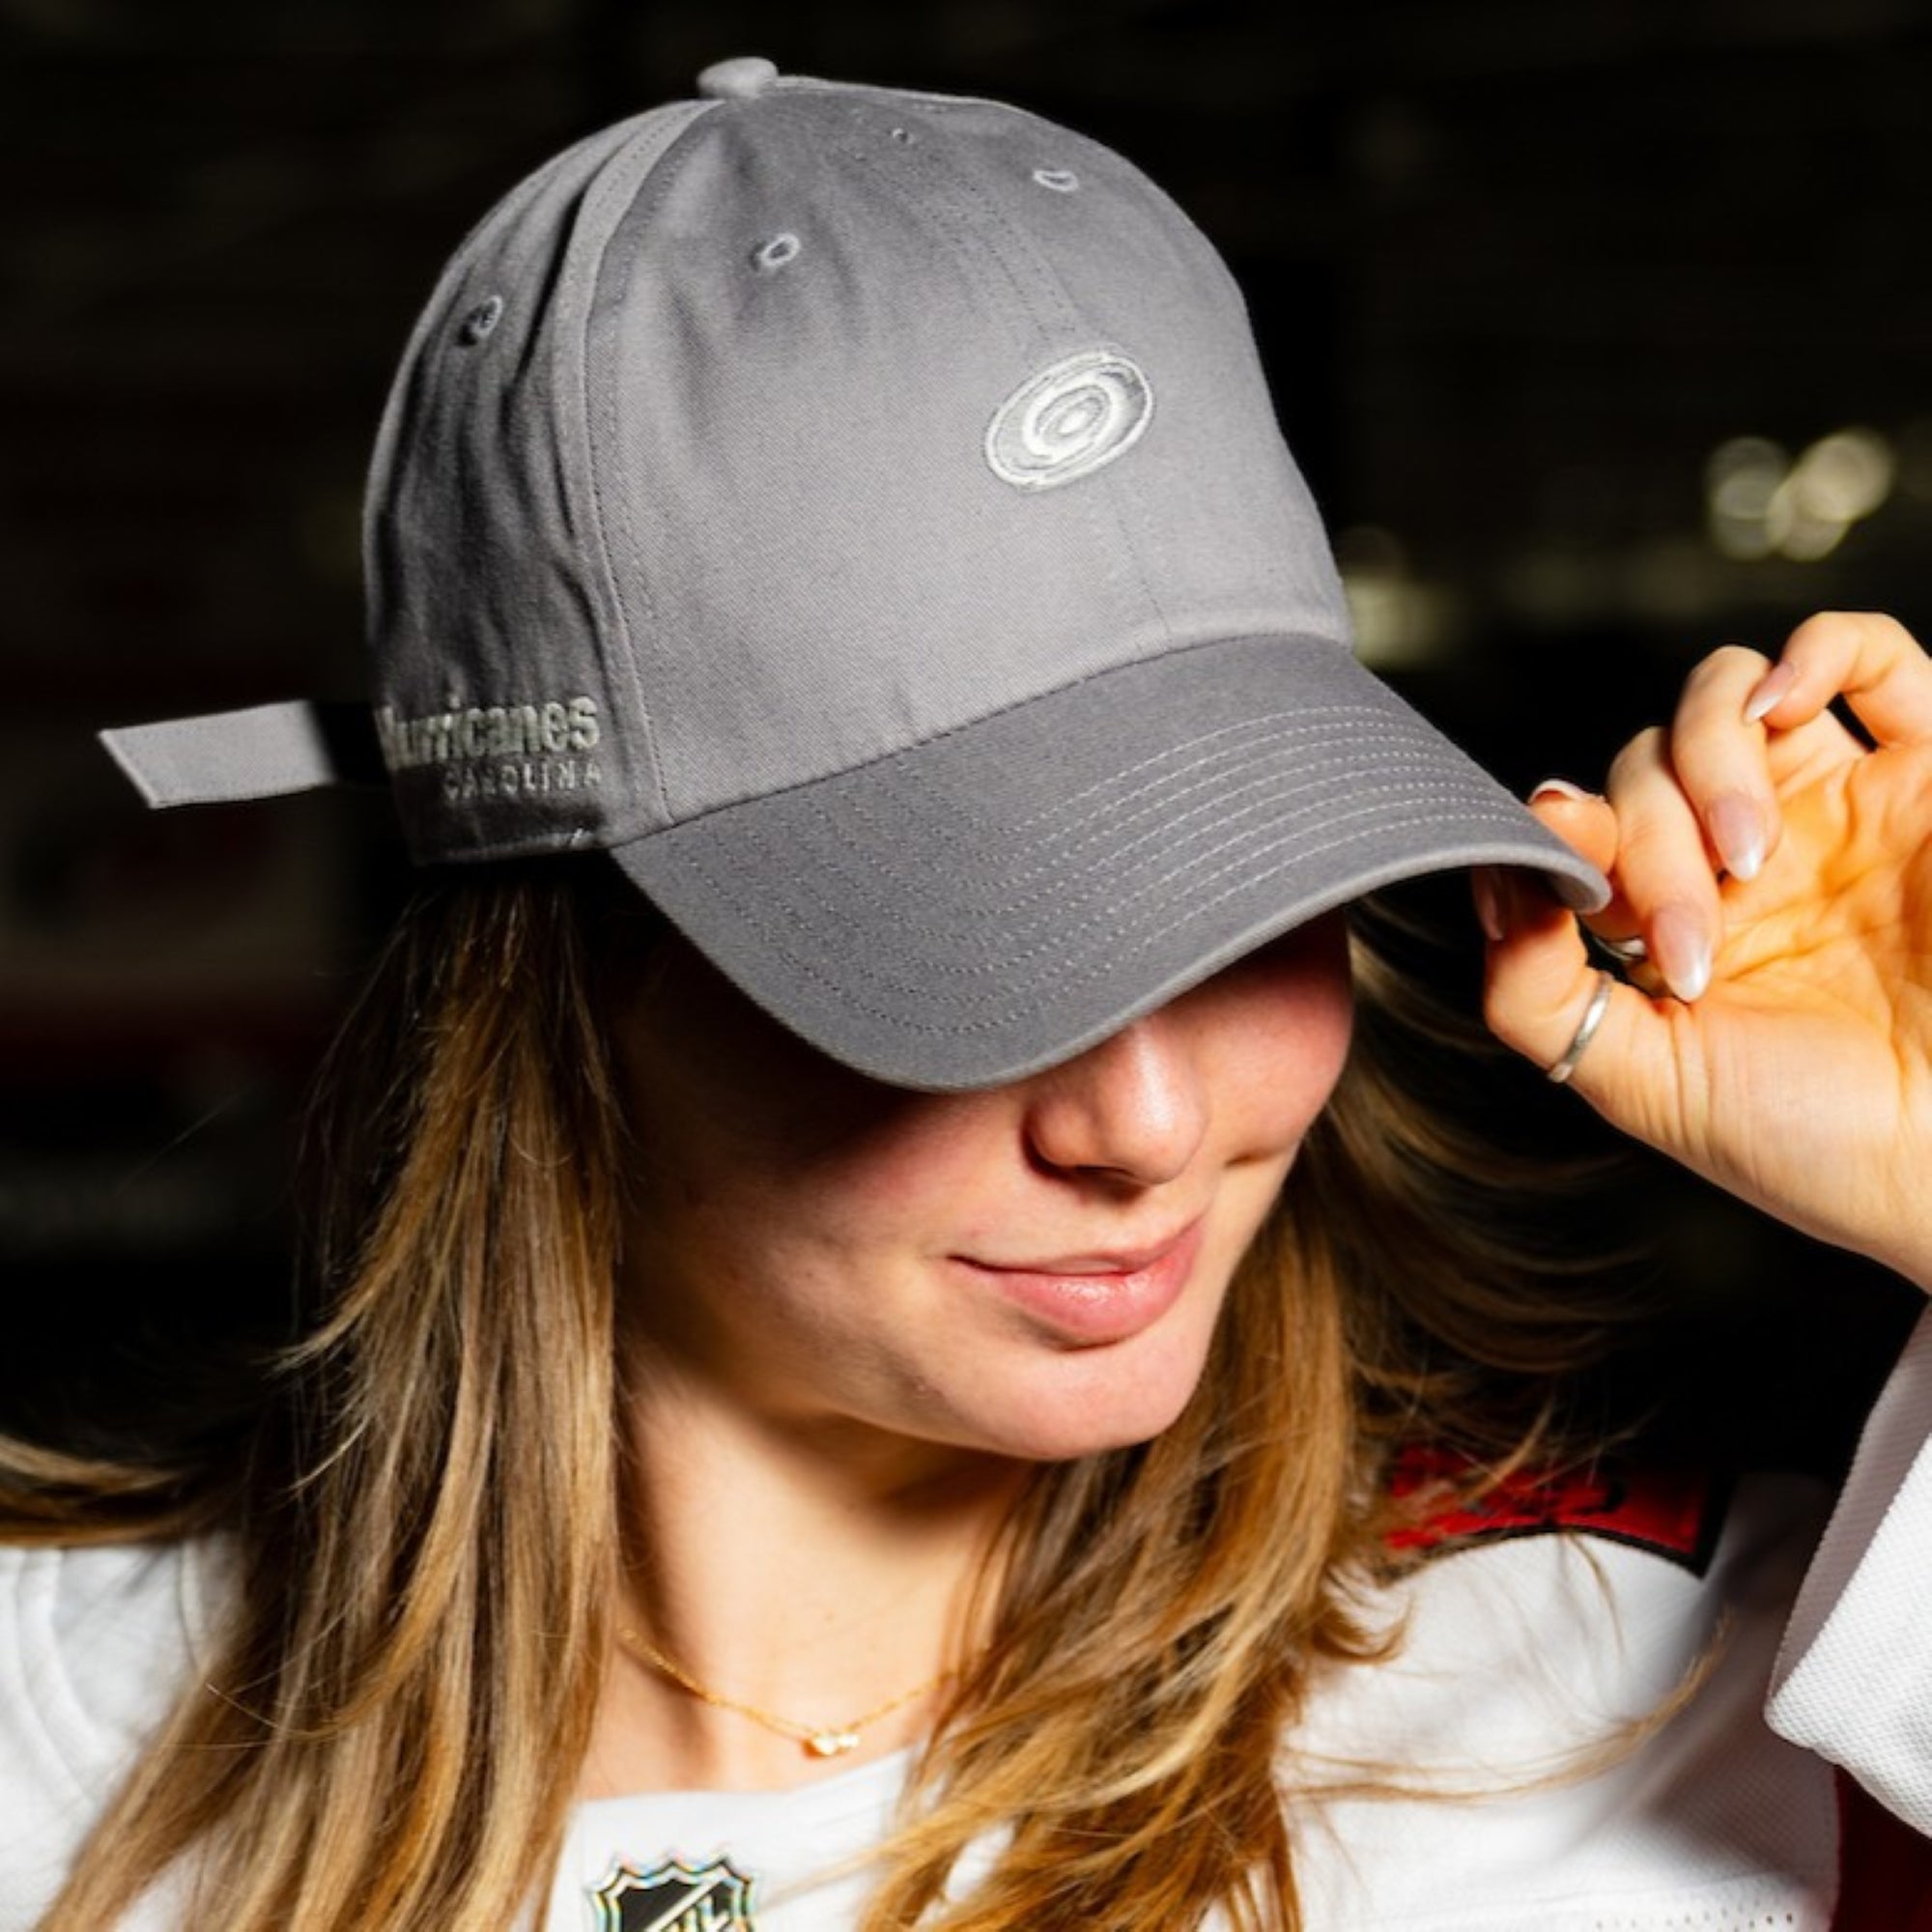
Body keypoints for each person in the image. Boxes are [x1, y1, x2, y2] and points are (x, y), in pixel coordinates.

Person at [4, 56, 1930, 1931]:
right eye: (966, 951)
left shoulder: (1698, 1713)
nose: (1152, 1127)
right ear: (559, 990)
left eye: (1251, 891)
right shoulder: (46, 1739)